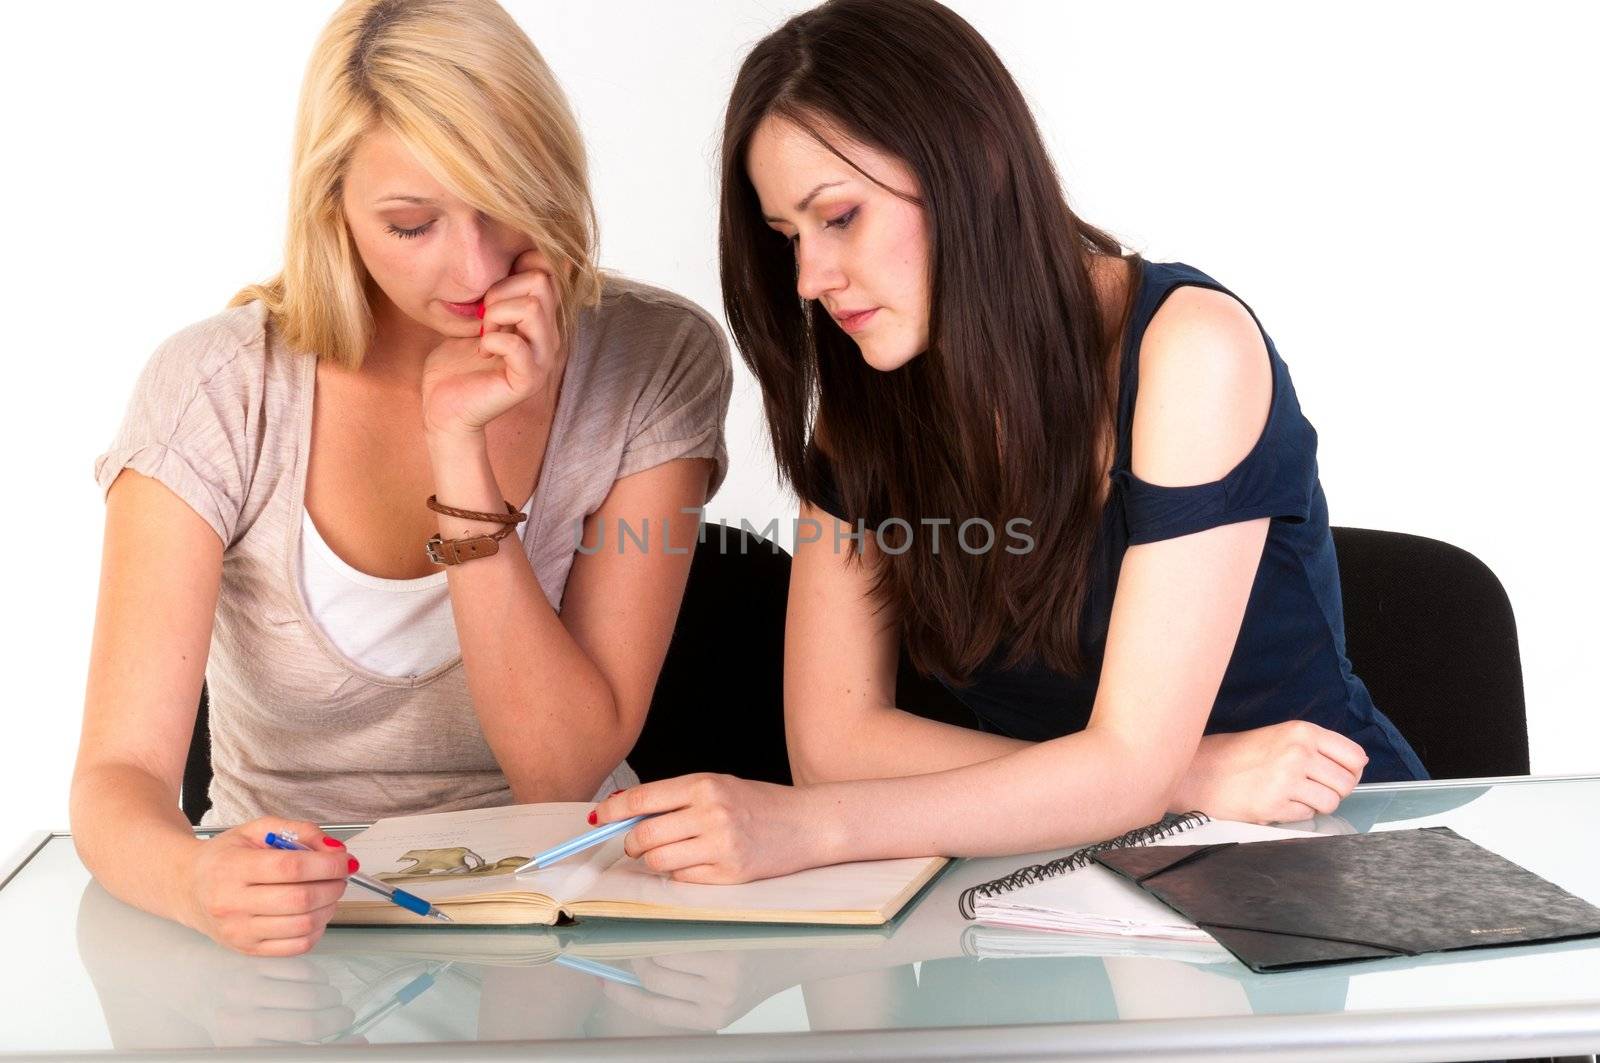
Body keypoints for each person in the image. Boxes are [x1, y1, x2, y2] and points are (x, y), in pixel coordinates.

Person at [591, 0, 1425, 882]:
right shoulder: (868, 405)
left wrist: (812, 828)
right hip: (1061, 861)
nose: (809, 280)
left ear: (977, 163)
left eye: (839, 217)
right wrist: (1188, 773)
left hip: (1315, 846)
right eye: (788, 238)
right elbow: (834, 746)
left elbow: (839, 790)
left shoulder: (1190, 351)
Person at [71, 0, 731, 956]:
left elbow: (560, 769)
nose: (473, 265)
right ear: (331, 204)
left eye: (503, 200)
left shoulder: (652, 358)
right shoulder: (220, 387)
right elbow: (116, 775)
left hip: (568, 913)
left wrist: (459, 445)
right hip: (293, 917)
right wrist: (198, 878)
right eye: (412, 223)